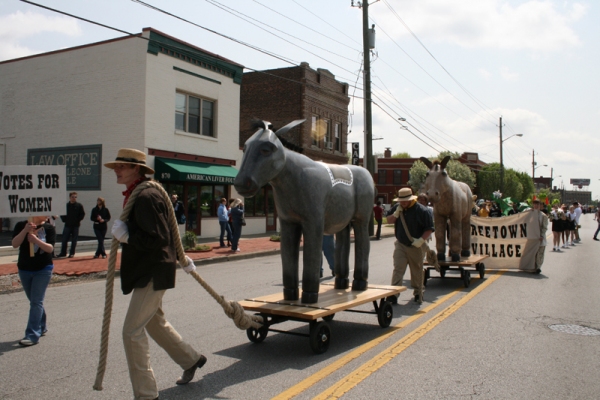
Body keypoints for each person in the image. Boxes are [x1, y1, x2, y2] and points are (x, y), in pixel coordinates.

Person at [105, 148, 206, 400]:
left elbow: (159, 237)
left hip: (152, 270)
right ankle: (191, 359)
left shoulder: (146, 196)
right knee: (154, 321)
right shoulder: (143, 193)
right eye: (116, 166)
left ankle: (146, 394)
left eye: (122, 166)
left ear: (136, 169)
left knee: (131, 331)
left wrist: (126, 236)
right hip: (150, 269)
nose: (117, 170)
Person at [12, 216, 55, 346]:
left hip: (43, 269)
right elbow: (15, 244)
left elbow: (50, 249)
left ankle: (32, 335)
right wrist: (25, 230)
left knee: (36, 302)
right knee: (34, 301)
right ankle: (41, 325)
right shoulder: (21, 225)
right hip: (25, 269)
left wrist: (36, 240)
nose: (47, 214)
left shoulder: (49, 227)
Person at [385, 188, 434, 304]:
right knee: (398, 269)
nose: (403, 203)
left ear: (411, 199)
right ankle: (394, 294)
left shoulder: (422, 211)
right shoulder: (397, 207)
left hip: (416, 246)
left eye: (405, 200)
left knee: (416, 270)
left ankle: (418, 292)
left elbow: (429, 229)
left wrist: (421, 240)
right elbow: (389, 221)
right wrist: (396, 214)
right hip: (401, 244)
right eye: (401, 200)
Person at [56, 192, 85, 258]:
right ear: (70, 197)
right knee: (64, 239)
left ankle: (72, 253)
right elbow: (62, 213)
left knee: (74, 240)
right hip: (67, 225)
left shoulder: (79, 205)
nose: (74, 198)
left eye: (75, 197)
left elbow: (82, 214)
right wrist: (65, 220)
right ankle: (63, 253)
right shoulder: (66, 205)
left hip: (75, 225)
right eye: (72, 197)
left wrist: (78, 220)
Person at [531, 199, 548, 274]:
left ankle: (538, 267)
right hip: (532, 237)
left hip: (540, 237)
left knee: (540, 253)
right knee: (533, 253)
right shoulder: (530, 213)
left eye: (537, 204)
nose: (536, 206)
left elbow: (544, 227)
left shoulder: (543, 215)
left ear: (540, 206)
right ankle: (532, 267)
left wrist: (541, 235)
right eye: (534, 204)